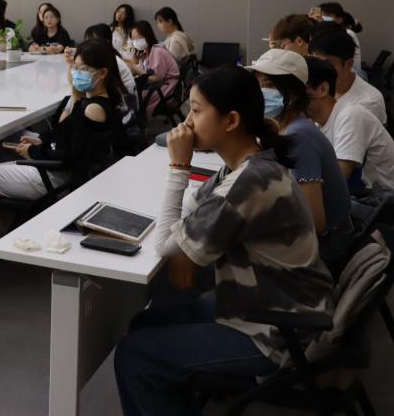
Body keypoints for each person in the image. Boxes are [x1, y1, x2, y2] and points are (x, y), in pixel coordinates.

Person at [114, 66, 333, 416]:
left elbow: (167, 245)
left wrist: (178, 168)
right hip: (265, 304)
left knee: (134, 354)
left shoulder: (247, 182)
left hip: (273, 330)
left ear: (231, 121)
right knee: (147, 323)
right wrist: (184, 246)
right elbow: (192, 208)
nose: (187, 122)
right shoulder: (250, 163)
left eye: (196, 111)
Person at [0, 40, 124, 266]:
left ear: (102, 73)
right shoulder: (96, 102)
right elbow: (64, 133)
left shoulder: (93, 108)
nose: (76, 73)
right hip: (59, 171)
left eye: (83, 69)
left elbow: (69, 154)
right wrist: (44, 137)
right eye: (75, 67)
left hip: (54, 177)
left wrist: (34, 151)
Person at [246, 49, 349, 234]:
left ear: (293, 94)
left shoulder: (299, 137)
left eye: (269, 84)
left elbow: (314, 222)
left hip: (326, 244)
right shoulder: (280, 129)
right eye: (257, 84)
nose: (261, 92)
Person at [306, 57, 394, 192]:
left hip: (382, 199)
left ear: (322, 89)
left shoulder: (351, 115)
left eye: (294, 90)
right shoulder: (317, 124)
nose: (288, 98)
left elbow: (336, 183)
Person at [309, 28, 387, 123]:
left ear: (348, 64)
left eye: (325, 64)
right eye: (315, 62)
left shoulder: (368, 102)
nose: (317, 69)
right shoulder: (320, 88)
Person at [123, 20, 180, 118]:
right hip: (159, 87)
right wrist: (135, 61)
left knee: (129, 97)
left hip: (166, 89)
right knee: (128, 94)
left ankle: (134, 122)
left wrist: (133, 67)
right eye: (134, 39)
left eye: (139, 38)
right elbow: (144, 70)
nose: (136, 42)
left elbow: (156, 78)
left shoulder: (157, 51)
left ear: (148, 35)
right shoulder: (147, 52)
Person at [81, 23, 137, 99]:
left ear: (106, 42)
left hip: (123, 101)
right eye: (87, 41)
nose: (88, 45)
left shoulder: (111, 60)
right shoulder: (105, 56)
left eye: (92, 41)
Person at [320, 2, 363, 71]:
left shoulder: (347, 33)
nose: (323, 18)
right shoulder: (328, 32)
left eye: (327, 15)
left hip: (352, 71)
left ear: (339, 20)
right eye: (322, 15)